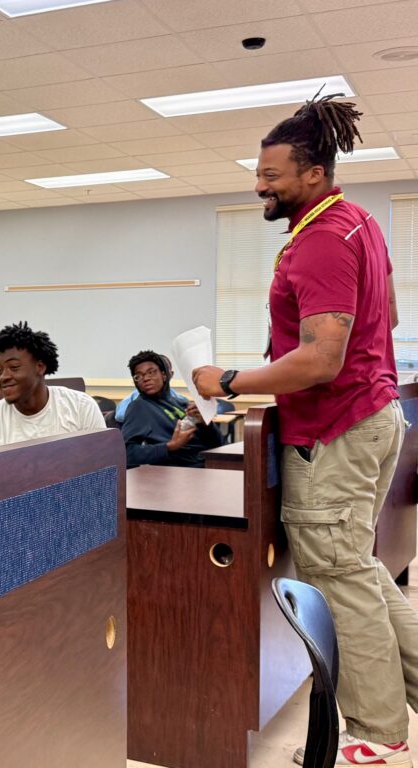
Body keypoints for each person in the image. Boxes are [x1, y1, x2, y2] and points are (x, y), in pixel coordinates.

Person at [193, 95, 417, 767]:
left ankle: (378, 732)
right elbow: (393, 314)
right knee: (363, 573)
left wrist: (229, 381)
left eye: (272, 175)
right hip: (375, 416)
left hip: (337, 430)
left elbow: (322, 358)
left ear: (313, 173)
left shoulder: (319, 239)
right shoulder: (357, 224)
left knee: (341, 580)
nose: (260, 185)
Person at [0, 321, 103, 450]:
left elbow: (103, 463)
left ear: (40, 367)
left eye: (14, 367)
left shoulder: (81, 408)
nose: (3, 377)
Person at [121, 350, 221, 468]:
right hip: (182, 472)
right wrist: (170, 446)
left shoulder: (182, 403)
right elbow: (126, 454)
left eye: (151, 372)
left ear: (164, 375)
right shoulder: (139, 407)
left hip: (208, 463)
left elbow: (218, 444)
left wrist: (206, 424)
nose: (146, 378)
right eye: (138, 376)